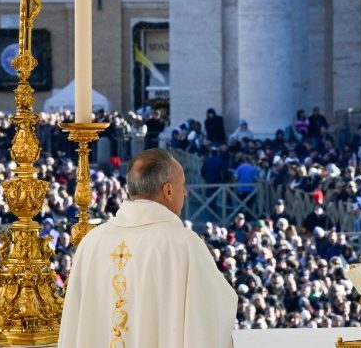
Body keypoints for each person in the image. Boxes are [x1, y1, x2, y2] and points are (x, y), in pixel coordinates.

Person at [58, 149, 237, 348]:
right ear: (168, 191)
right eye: (183, 185)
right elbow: (213, 314)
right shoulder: (184, 245)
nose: (185, 192)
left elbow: (74, 325)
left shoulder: (91, 242)